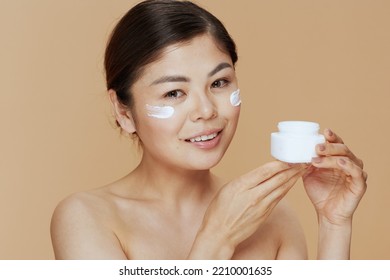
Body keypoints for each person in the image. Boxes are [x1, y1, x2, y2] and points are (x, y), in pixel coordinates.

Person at [50, 0, 367, 260]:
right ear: (123, 111)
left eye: (219, 83)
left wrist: (334, 223)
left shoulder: (275, 219)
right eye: (174, 92)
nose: (206, 111)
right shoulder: (87, 218)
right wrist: (217, 238)